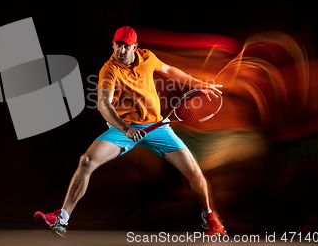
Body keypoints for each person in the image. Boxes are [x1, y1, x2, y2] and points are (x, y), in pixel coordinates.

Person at [34, 26, 227, 237]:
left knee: (194, 171)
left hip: (157, 128)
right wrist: (125, 129)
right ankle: (62, 219)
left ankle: (209, 217)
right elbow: (103, 105)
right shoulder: (109, 70)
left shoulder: (148, 58)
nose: (121, 50)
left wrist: (198, 84)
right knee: (86, 161)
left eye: (126, 46)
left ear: (135, 47)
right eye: (118, 45)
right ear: (113, 44)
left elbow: (170, 71)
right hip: (123, 128)